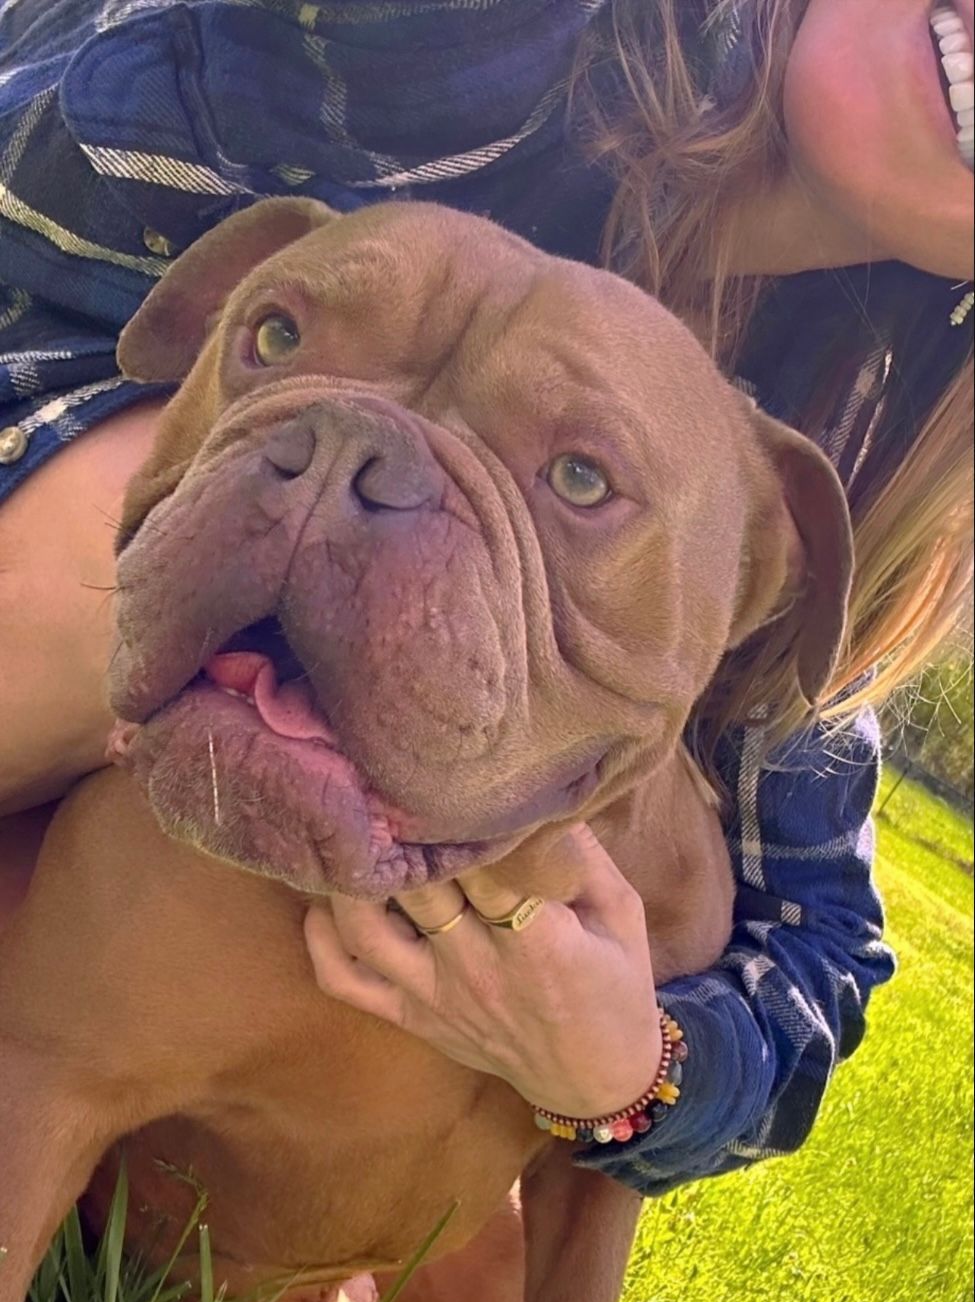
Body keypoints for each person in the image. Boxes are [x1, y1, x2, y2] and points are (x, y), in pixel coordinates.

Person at [0, 0, 972, 1193]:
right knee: (175, 489)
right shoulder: (479, 38)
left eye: (581, 475)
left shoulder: (805, 459)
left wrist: (634, 1069)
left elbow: (817, 953)